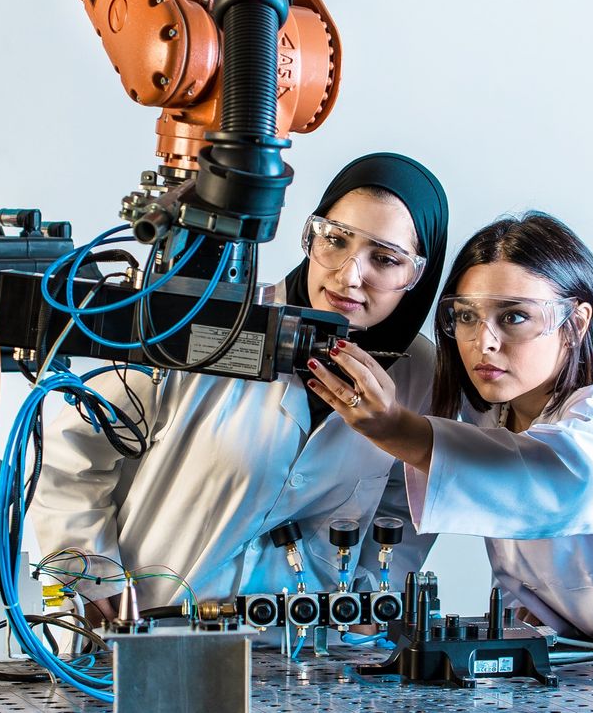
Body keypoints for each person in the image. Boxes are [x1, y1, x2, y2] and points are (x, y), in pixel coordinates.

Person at [31, 152, 449, 618]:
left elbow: (408, 508)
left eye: (386, 259)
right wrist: (87, 569)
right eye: (334, 240)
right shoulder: (213, 324)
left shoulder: (421, 374)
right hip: (143, 624)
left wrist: (369, 610)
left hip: (303, 649)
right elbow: (74, 451)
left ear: (418, 275)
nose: (350, 275)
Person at [307, 212, 593, 639]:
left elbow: (569, 477)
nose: (484, 342)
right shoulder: (495, 406)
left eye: (514, 317)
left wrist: (395, 428)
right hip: (586, 663)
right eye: (466, 316)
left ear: (575, 323)